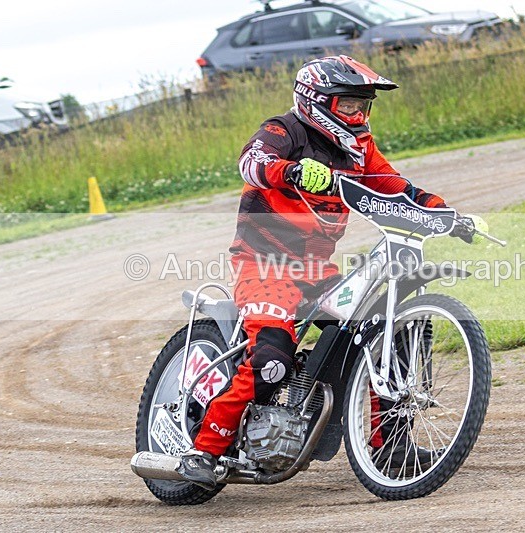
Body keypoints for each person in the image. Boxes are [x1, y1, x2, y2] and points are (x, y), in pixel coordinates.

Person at [179, 55, 473, 488]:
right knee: (272, 358)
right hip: (264, 265)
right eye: (350, 106)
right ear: (319, 101)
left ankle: (388, 445)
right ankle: (203, 451)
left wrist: (443, 211)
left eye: (364, 107)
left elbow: (395, 186)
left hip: (318, 269)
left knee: (374, 333)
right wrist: (292, 169)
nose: (359, 115)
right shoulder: (284, 130)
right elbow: (251, 163)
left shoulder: (359, 150)